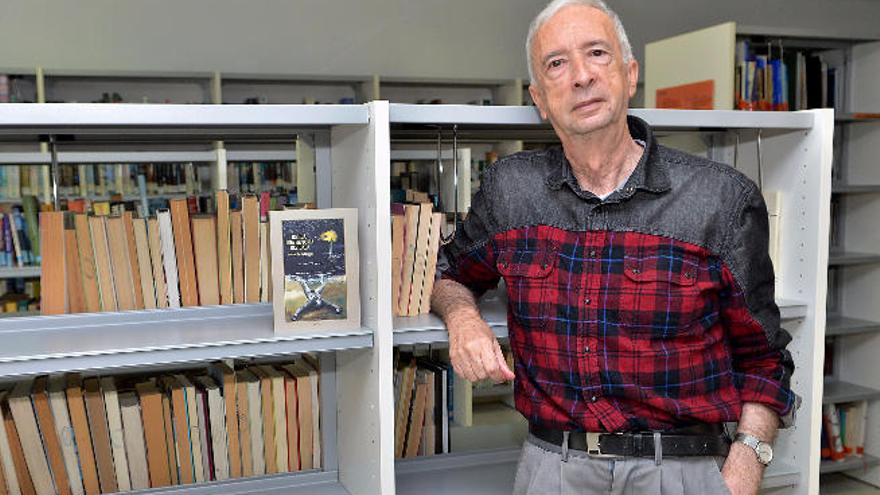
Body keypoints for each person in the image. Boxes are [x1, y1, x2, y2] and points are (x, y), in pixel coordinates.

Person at [431, 1, 800, 494]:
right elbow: (445, 272)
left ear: (629, 75)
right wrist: (463, 319)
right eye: (556, 63)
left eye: (597, 53)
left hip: (684, 467)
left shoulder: (721, 199)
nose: (581, 76)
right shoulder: (510, 190)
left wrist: (747, 463)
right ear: (540, 98)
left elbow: (764, 358)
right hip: (552, 467)